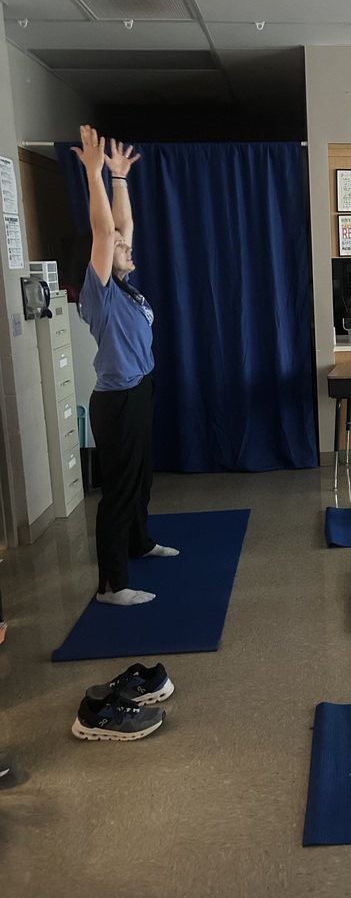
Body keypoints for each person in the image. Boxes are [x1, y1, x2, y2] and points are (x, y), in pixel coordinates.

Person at [73, 125, 178, 607]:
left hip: (140, 390)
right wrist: (93, 174)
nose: (127, 246)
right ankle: (111, 585)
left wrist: (120, 180)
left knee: (141, 478)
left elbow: (122, 228)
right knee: (117, 490)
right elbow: (105, 230)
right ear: (101, 258)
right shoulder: (101, 292)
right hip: (115, 401)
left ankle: (140, 542)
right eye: (120, 247)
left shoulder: (127, 286)